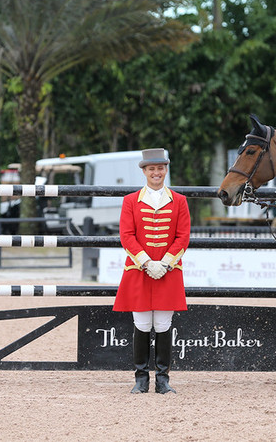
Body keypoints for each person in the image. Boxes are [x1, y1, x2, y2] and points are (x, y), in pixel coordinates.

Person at [113, 148, 190, 394]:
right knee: (142, 324)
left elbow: (183, 236)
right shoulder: (130, 201)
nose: (156, 173)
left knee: (164, 324)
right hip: (139, 269)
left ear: (165, 170)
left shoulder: (179, 201)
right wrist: (147, 262)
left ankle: (163, 379)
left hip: (168, 269)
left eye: (160, 168)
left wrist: (165, 263)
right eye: (151, 169)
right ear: (144, 171)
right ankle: (141, 378)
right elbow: (126, 235)